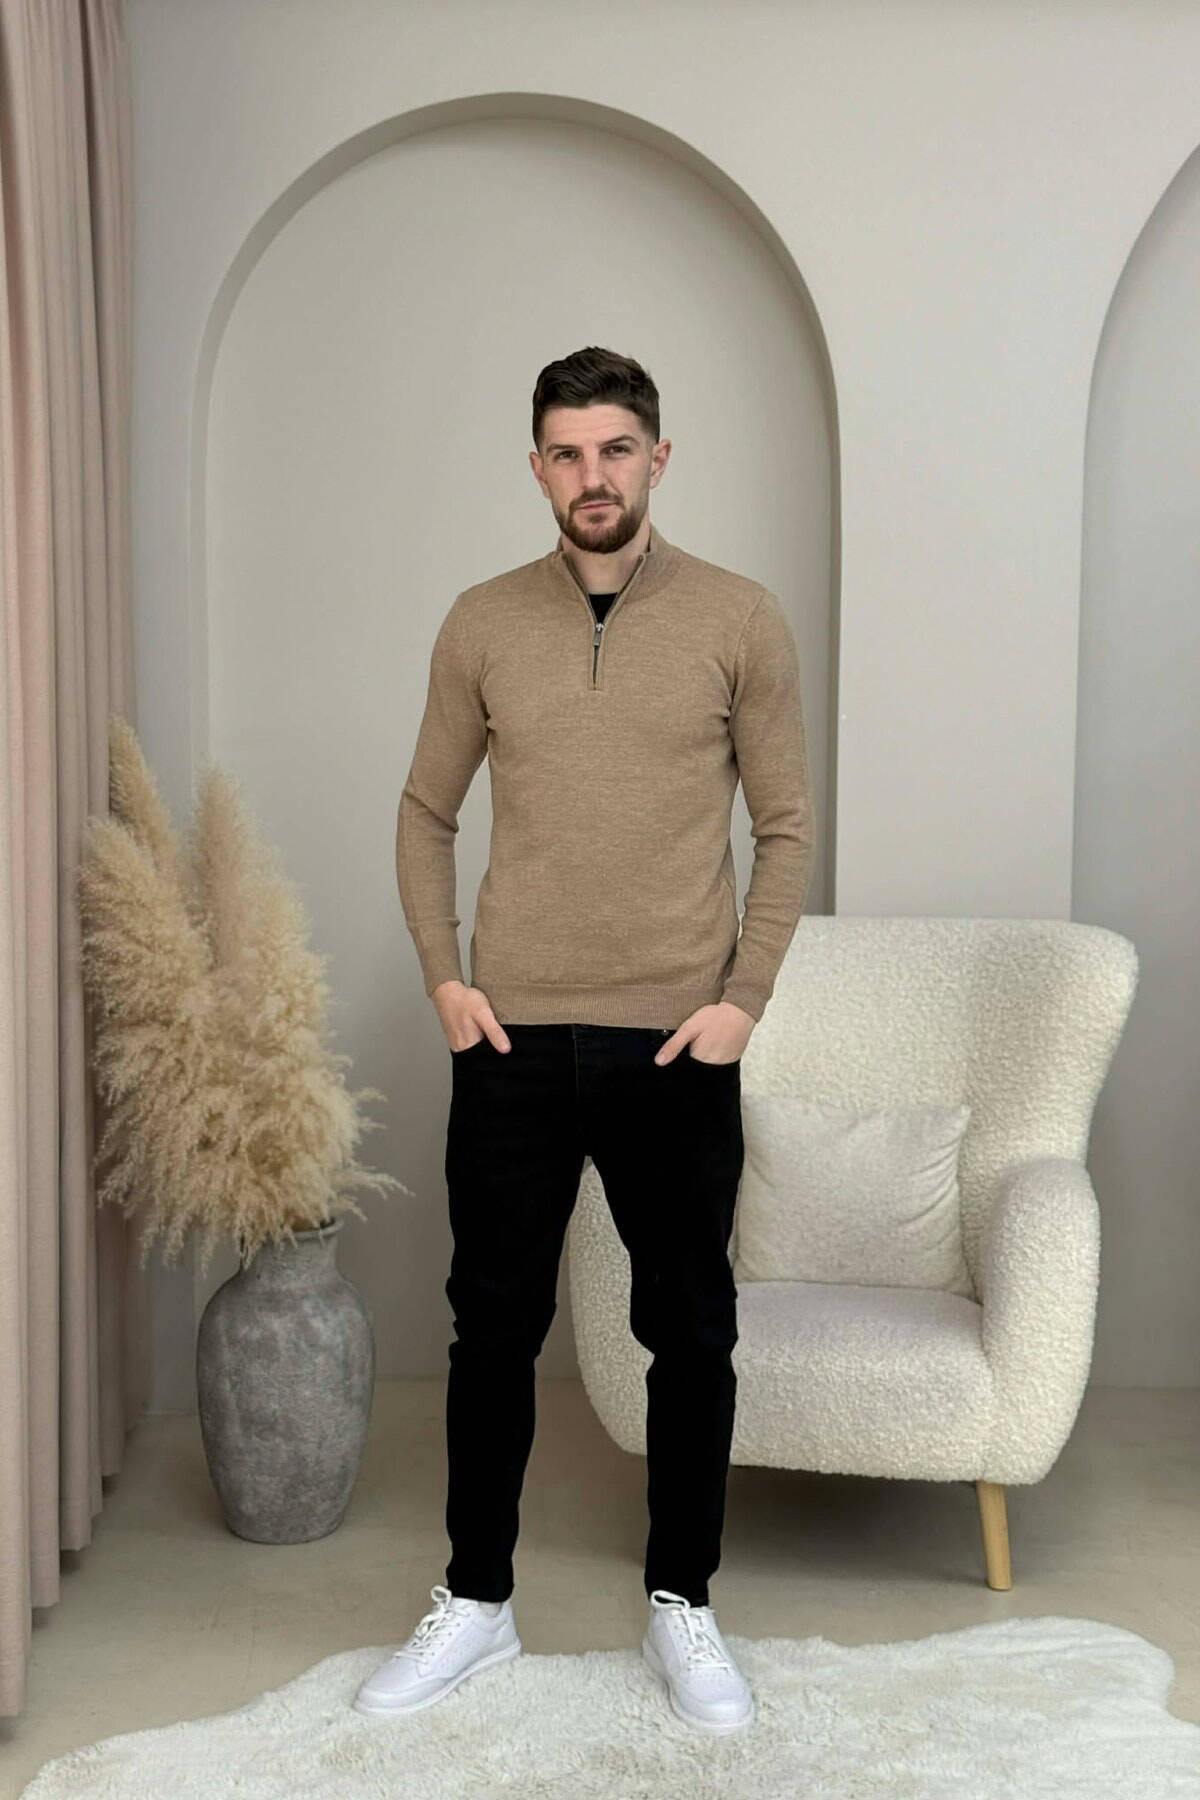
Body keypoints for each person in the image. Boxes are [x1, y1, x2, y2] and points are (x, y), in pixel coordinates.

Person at [354, 347, 814, 1734]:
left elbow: (786, 825)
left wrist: (742, 1000)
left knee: (691, 1331)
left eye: (616, 449)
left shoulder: (740, 618)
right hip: (511, 1041)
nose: (592, 475)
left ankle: (684, 1603)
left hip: (676, 1041)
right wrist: (445, 978)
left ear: (657, 459)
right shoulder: (483, 620)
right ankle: (477, 1601)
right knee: (491, 1328)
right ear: (538, 467)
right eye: (567, 452)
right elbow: (424, 810)